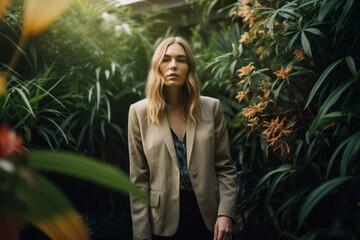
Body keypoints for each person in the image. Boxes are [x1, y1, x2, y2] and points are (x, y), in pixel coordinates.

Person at [128, 36, 238, 240]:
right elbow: (138, 180)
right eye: (166, 59)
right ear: (157, 66)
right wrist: (141, 236)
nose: (173, 66)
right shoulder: (138, 112)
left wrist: (225, 214)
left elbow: (225, 168)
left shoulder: (211, 108)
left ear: (189, 67)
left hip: (209, 219)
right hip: (162, 221)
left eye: (181, 59)